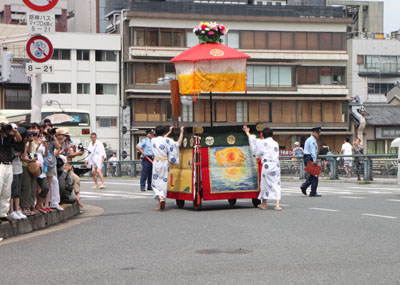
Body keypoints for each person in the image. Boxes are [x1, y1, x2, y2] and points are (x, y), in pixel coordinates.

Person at [243, 125, 282, 211]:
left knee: (265, 184)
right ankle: (277, 205)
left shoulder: (262, 142)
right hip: (276, 165)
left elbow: (253, 141)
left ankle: (264, 204)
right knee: (277, 183)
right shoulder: (276, 143)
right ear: (272, 135)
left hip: (267, 165)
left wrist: (247, 132)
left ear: (263, 135)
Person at [151, 126, 184, 210]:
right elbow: (178, 144)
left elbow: (161, 140)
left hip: (156, 162)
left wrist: (168, 132)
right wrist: (181, 132)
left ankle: (160, 200)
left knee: (155, 182)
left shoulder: (153, 140)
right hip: (164, 162)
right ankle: (162, 198)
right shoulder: (167, 140)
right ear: (164, 133)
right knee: (164, 181)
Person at [0, 117, 22, 223]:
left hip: (9, 164)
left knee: (7, 190)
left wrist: (13, 130)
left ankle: (3, 213)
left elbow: (19, 139)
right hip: (0, 165)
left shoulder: (8, 136)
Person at [300, 127, 321, 197]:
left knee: (313, 175)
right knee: (315, 175)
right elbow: (313, 151)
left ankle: (305, 186)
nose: (319, 134)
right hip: (310, 158)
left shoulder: (311, 139)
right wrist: (314, 160)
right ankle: (312, 191)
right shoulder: (312, 140)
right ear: (313, 133)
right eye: (318, 133)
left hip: (308, 157)